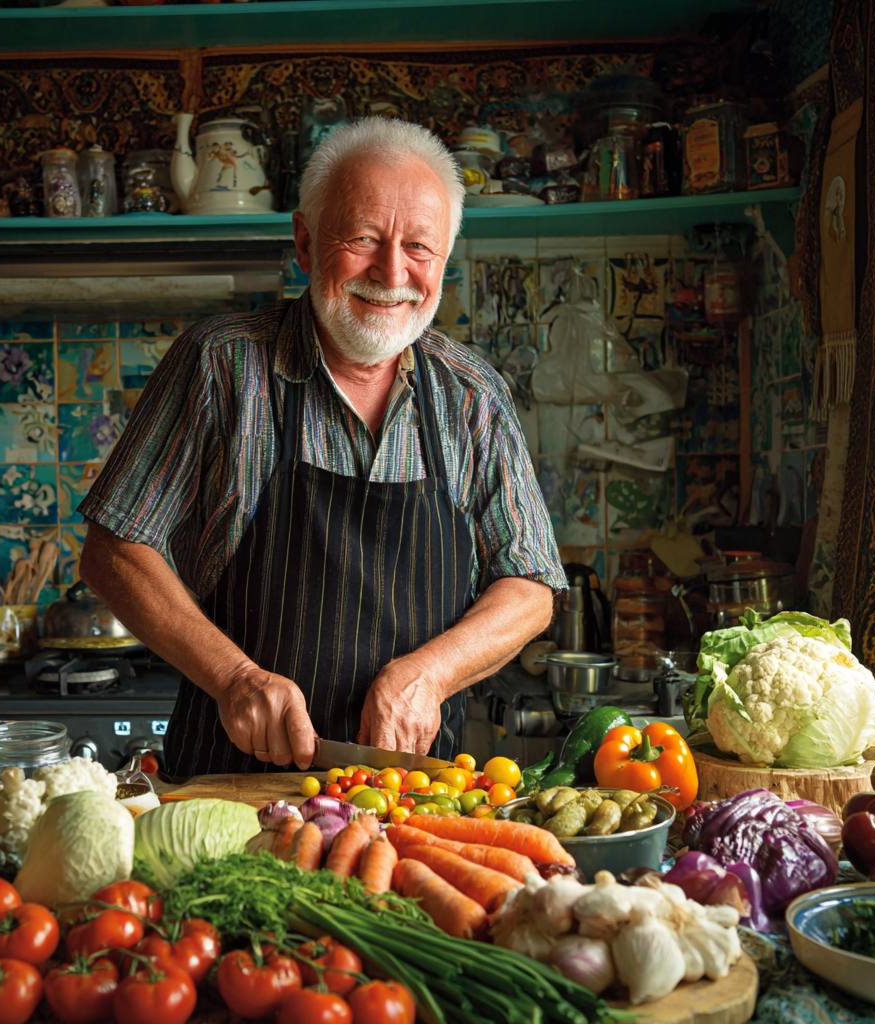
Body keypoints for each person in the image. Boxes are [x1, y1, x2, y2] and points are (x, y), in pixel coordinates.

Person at [77, 117, 566, 776]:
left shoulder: (471, 393)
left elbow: (532, 584)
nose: (392, 273)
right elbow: (114, 551)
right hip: (230, 789)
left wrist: (429, 676)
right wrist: (234, 680)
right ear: (305, 243)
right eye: (363, 238)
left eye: (420, 246)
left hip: (409, 799)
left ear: (445, 257)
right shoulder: (221, 363)